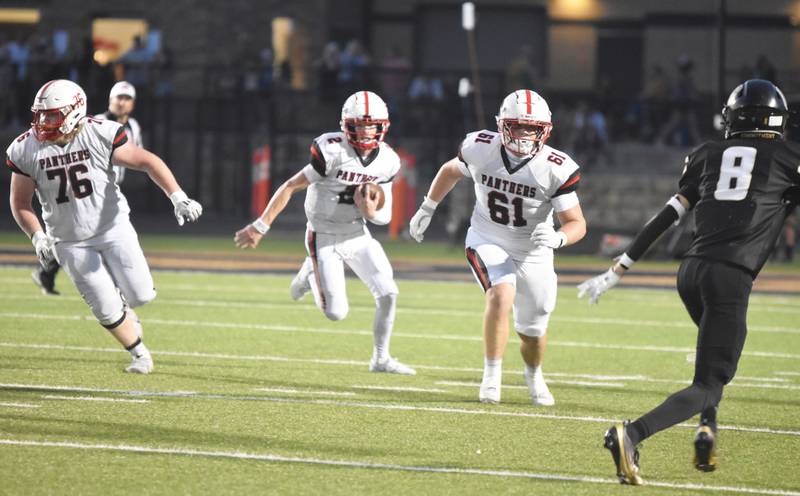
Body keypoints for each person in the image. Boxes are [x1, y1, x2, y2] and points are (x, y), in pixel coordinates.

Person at [578, 79, 800, 485]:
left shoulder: (707, 153)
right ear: (777, 120)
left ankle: (707, 430)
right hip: (730, 276)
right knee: (709, 380)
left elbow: (667, 216)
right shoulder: (787, 157)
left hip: (691, 272)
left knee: (713, 369)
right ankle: (631, 434)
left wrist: (618, 269)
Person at [7, 79, 202, 374]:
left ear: (74, 112)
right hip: (68, 240)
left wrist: (177, 196)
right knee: (104, 306)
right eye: (41, 115)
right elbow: (20, 202)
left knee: (141, 296)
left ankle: (128, 304)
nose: (43, 122)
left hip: (112, 227)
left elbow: (147, 160)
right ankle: (139, 353)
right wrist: (37, 236)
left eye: (52, 115)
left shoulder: (100, 133)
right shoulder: (25, 149)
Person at [409, 89, 587, 405]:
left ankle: (534, 375)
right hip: (486, 236)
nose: (524, 134)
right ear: (503, 125)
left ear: (543, 130)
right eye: (518, 126)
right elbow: (451, 170)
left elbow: (577, 222)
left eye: (532, 128)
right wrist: (427, 207)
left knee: (533, 330)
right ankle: (491, 377)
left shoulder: (556, 167)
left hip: (533, 249)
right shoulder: (480, 147)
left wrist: (559, 237)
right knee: (501, 292)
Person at [234, 90, 415, 375]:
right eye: (359, 124)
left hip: (357, 233)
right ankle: (310, 269)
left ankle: (381, 358)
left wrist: (370, 212)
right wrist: (261, 225)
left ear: (383, 126)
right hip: (324, 234)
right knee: (336, 313)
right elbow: (291, 186)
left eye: (371, 125)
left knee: (389, 293)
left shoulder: (388, 161)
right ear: (346, 124)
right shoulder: (332, 150)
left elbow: (386, 216)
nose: (365, 131)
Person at [32, 80, 143, 295]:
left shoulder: (134, 126)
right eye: (119, 97)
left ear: (133, 103)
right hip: (89, 187)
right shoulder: (94, 122)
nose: (122, 102)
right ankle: (115, 285)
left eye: (127, 98)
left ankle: (46, 271)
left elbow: (134, 152)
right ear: (110, 99)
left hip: (111, 188)